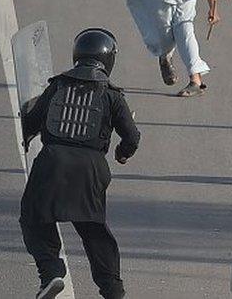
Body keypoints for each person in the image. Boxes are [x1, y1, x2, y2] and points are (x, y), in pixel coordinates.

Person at [19, 28, 141, 299]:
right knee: (94, 231)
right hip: (91, 168)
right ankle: (113, 291)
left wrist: (28, 128)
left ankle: (51, 273)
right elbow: (132, 137)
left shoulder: (57, 85)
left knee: (33, 217)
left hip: (52, 162)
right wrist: (122, 153)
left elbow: (32, 120)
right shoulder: (112, 95)